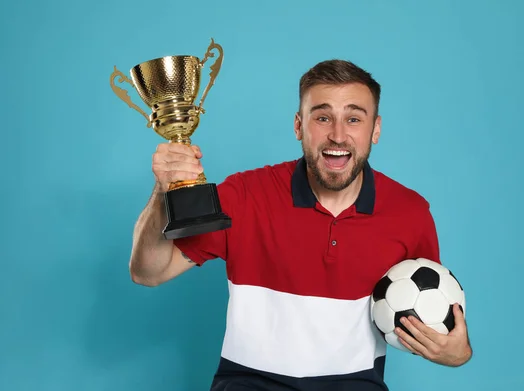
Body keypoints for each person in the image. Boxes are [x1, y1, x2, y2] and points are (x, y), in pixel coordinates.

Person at [129, 59, 472, 390]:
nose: (338, 135)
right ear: (298, 126)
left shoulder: (409, 213)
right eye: (322, 117)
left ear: (376, 130)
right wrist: (162, 192)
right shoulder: (245, 194)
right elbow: (148, 272)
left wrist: (458, 353)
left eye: (354, 119)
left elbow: (436, 315)